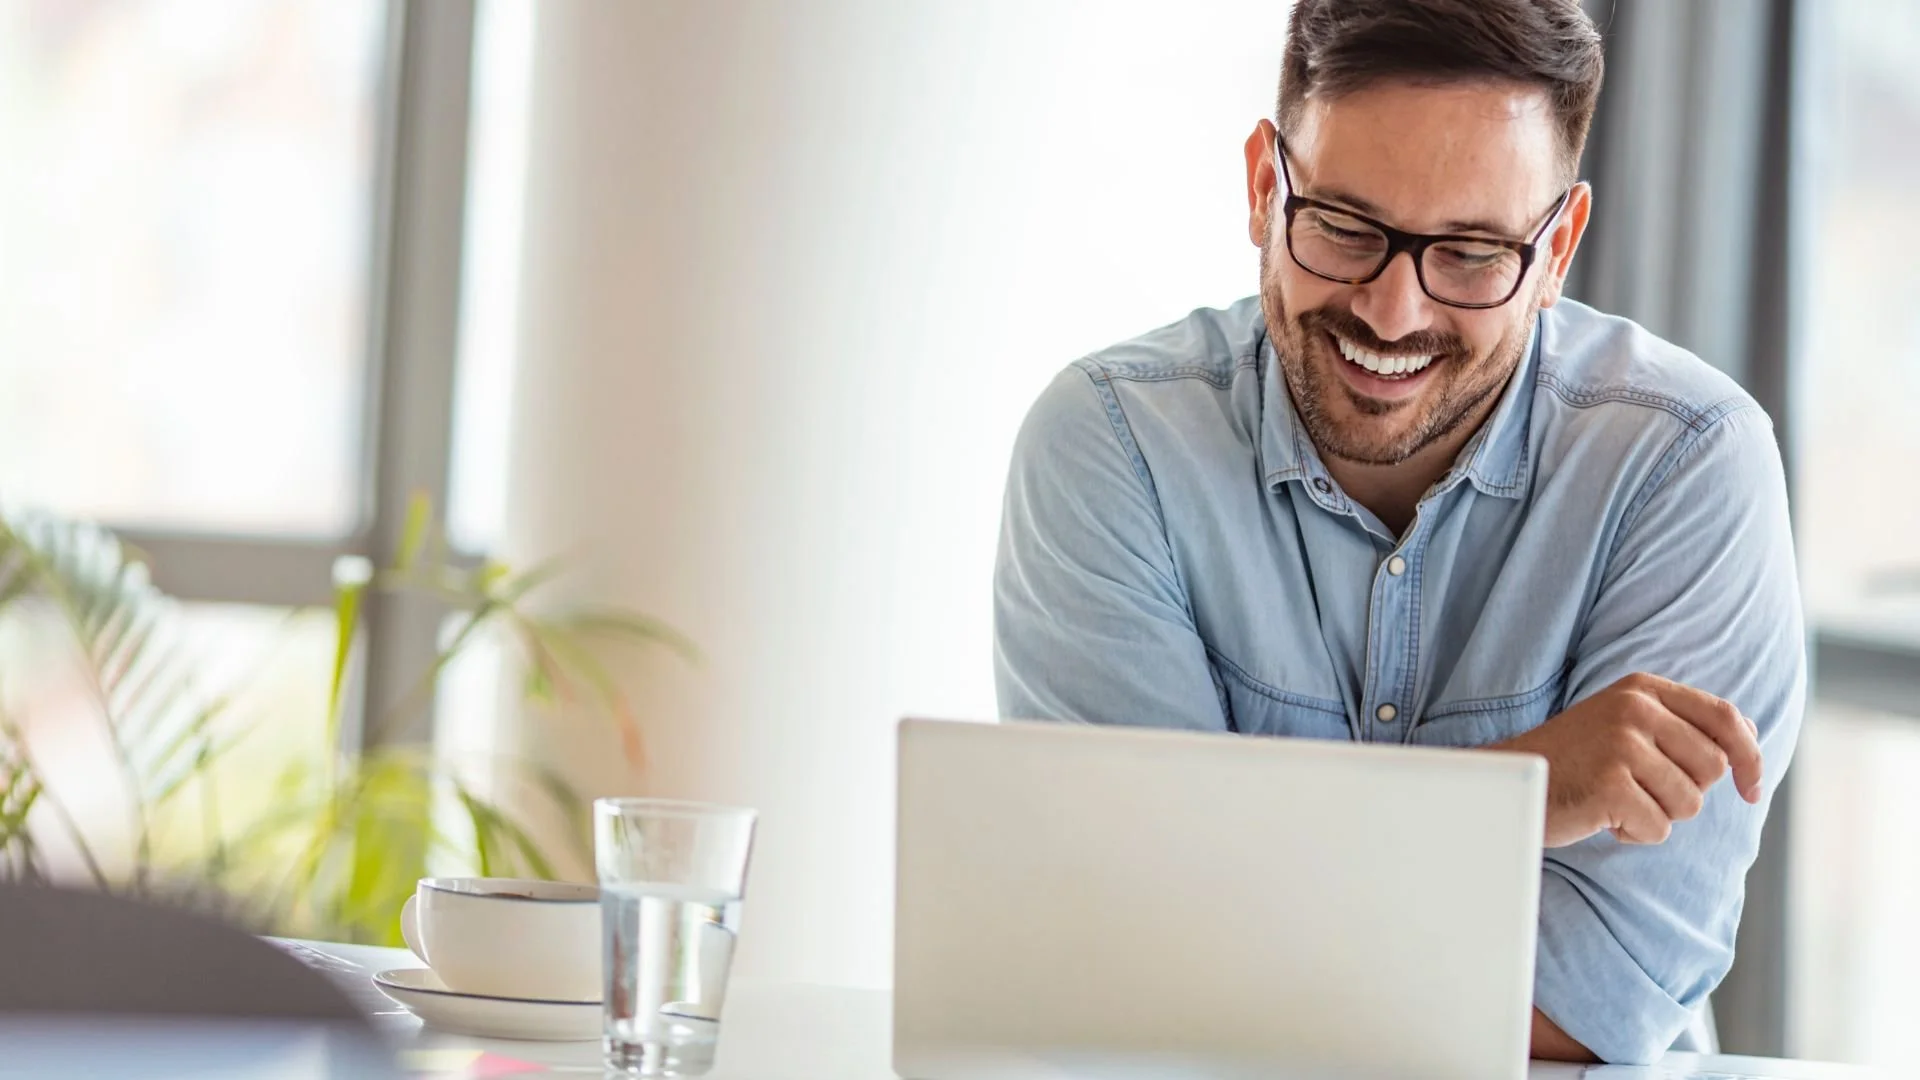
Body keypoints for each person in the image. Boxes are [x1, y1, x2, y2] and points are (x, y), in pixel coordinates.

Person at [993, 0, 1804, 1066]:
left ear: (1557, 247)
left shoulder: (1685, 466)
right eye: (1343, 227)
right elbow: (1127, 943)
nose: (1391, 312)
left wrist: (1229, 916)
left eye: (1470, 253)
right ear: (1261, 188)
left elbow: (1593, 1003)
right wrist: (1518, 796)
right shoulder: (1112, 448)